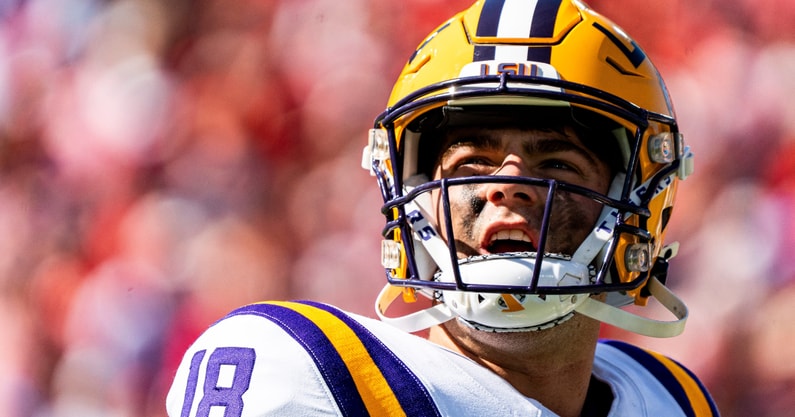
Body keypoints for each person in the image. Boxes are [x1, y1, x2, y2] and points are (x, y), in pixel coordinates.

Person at [166, 1, 720, 416]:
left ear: (641, 199)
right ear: (414, 193)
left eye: (556, 164)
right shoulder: (317, 375)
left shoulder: (671, 399)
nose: (509, 187)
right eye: (473, 164)